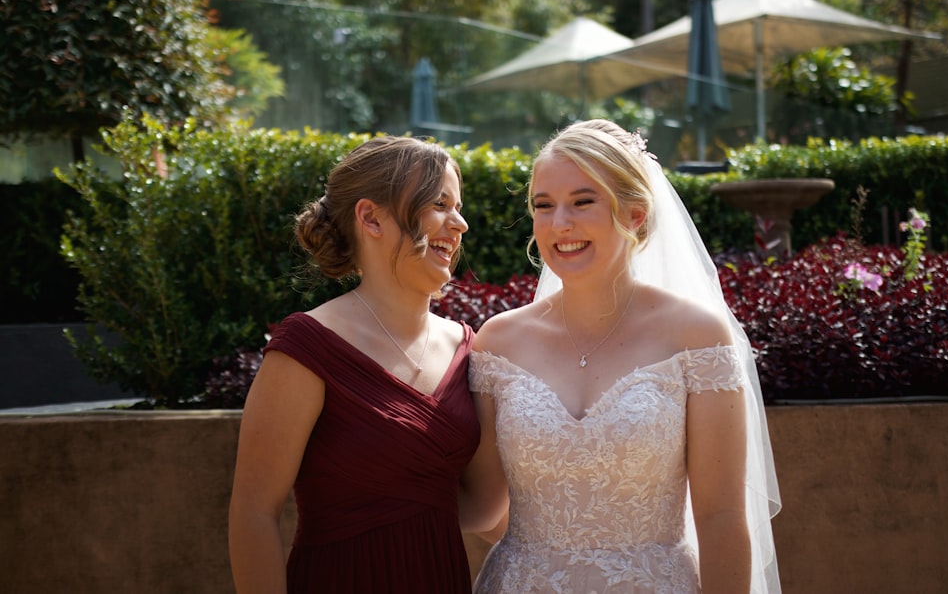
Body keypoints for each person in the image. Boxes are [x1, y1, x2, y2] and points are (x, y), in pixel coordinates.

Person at [461, 120, 781, 593]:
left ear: (634, 214)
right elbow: (484, 507)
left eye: (582, 202)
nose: (559, 224)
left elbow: (721, 515)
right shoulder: (499, 342)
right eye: (543, 206)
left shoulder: (696, 337)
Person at [229, 135, 479, 593]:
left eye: (458, 206)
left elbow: (484, 505)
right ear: (371, 217)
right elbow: (254, 513)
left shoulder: (469, 348)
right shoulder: (307, 347)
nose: (459, 223)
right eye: (440, 204)